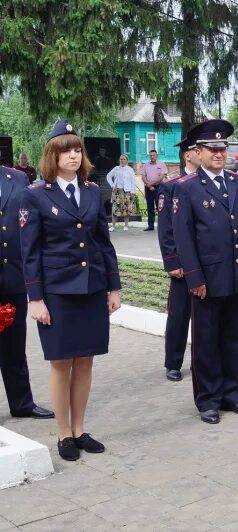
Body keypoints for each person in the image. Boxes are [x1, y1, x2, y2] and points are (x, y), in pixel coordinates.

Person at [20, 119, 122, 461]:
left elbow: (104, 244)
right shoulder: (35, 195)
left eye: (78, 149)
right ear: (53, 155)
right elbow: (29, 251)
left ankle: (80, 428)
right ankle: (63, 433)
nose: (74, 156)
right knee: (61, 363)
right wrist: (35, 298)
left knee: (86, 362)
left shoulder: (92, 191)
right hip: (57, 293)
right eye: (66, 151)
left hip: (92, 288)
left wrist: (114, 288)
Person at [172, 119, 238, 424]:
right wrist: (194, 278)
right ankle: (207, 399)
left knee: (232, 337)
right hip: (208, 279)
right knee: (206, 341)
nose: (219, 153)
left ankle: (232, 393)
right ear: (197, 152)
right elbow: (183, 237)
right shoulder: (186, 188)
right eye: (212, 149)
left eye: (222, 148)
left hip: (237, 275)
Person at [0, 164, 54, 420]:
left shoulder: (18, 178)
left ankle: (22, 403)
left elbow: (28, 225)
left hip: (12, 277)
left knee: (14, 345)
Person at [156, 137, 198, 382]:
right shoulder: (172, 185)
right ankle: (173, 362)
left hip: (205, 262)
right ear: (188, 156)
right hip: (182, 263)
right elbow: (166, 228)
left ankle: (200, 361)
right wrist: (172, 261)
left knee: (203, 318)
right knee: (179, 314)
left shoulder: (207, 183)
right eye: (195, 149)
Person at [105, 154, 137, 231]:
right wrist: (112, 185)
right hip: (117, 192)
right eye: (121, 159)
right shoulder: (116, 169)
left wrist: (132, 192)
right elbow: (108, 176)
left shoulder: (130, 169)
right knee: (115, 208)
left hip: (127, 192)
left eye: (124, 159)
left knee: (126, 208)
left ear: (127, 161)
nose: (122, 161)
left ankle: (126, 225)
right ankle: (113, 226)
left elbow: (133, 181)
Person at [141, 149, 168, 231]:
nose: (152, 157)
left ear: (157, 156)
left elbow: (162, 177)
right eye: (150, 155)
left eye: (153, 155)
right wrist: (149, 186)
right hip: (148, 188)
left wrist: (150, 184)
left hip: (159, 187)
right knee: (150, 207)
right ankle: (150, 226)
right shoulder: (145, 165)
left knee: (160, 207)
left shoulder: (161, 164)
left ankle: (162, 225)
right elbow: (143, 176)